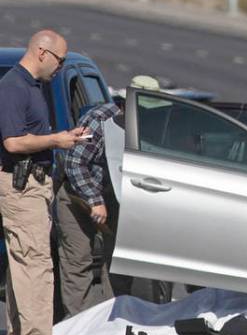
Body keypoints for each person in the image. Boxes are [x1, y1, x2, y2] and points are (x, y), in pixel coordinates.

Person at [0, 30, 87, 335]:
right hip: (20, 187)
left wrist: (62, 139)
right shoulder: (13, 86)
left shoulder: (33, 87)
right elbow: (13, 143)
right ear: (41, 52)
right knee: (34, 263)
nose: (61, 67)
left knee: (27, 263)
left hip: (34, 186)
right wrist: (56, 140)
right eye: (59, 60)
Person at [56, 75, 172, 318]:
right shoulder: (98, 120)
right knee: (78, 260)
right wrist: (94, 200)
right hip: (78, 195)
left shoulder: (149, 125)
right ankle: (82, 321)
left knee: (119, 262)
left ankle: (112, 317)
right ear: (127, 103)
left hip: (116, 200)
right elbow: (75, 163)